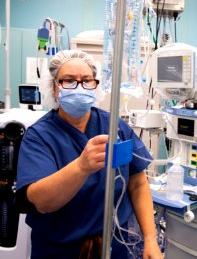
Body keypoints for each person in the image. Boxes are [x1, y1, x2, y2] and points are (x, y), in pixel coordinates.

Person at [16, 50, 163, 259]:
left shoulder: (113, 126)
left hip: (115, 247)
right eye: (68, 81)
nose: (79, 87)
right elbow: (42, 201)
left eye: (86, 81)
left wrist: (150, 239)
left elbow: (137, 183)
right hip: (61, 252)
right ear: (54, 88)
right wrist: (81, 167)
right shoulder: (40, 136)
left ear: (95, 85)